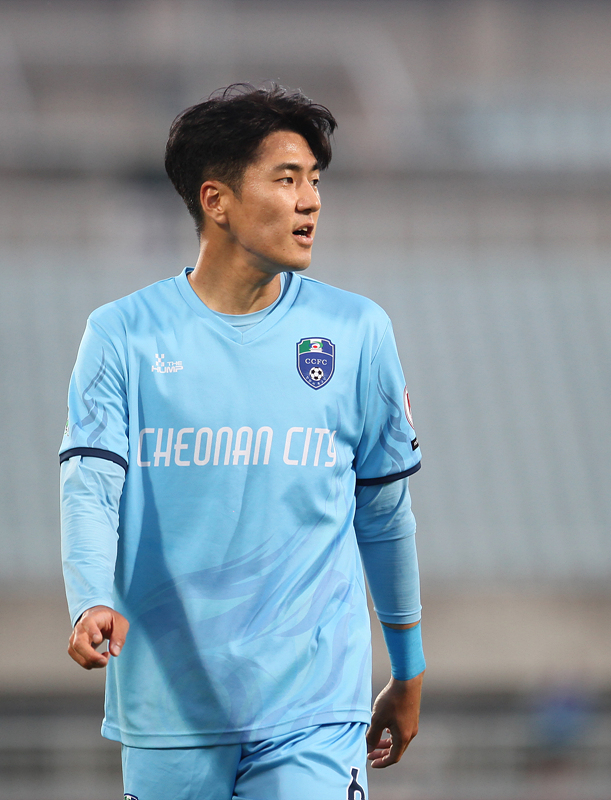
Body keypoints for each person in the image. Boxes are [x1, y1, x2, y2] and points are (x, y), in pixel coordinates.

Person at [59, 83, 425, 800]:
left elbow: (383, 513)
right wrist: (89, 598)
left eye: (314, 181)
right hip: (170, 702)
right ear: (216, 200)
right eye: (286, 180)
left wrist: (407, 673)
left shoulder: (357, 333)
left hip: (315, 707)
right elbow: (90, 485)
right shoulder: (122, 335)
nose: (310, 202)